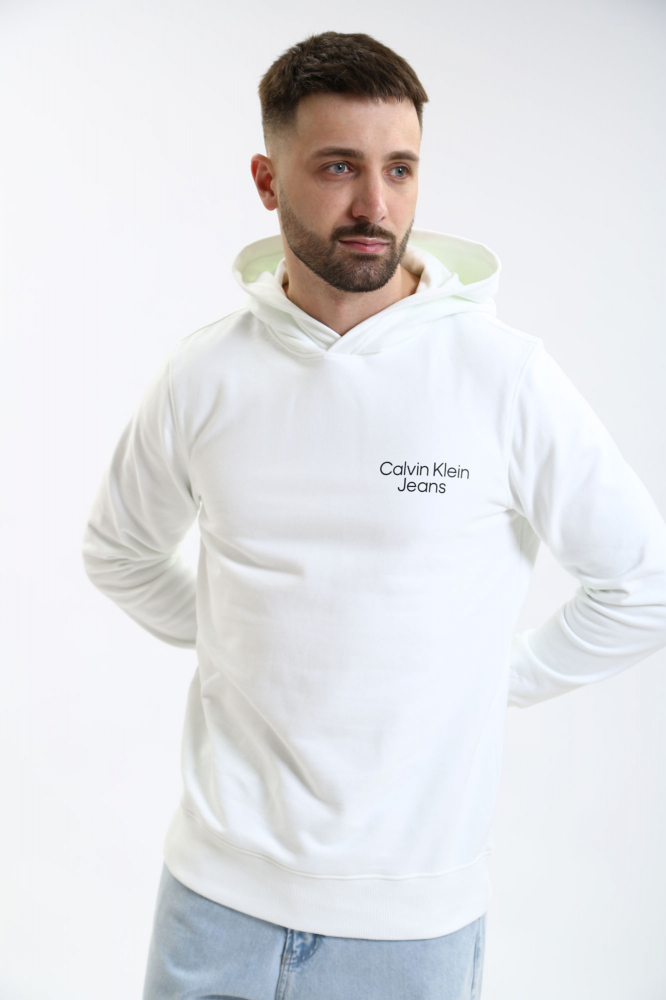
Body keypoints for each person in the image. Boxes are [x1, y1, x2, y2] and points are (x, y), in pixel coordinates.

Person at [80, 30, 666, 1000]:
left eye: (400, 169)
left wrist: (494, 676)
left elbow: (643, 585)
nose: (375, 206)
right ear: (268, 181)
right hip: (214, 901)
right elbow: (119, 551)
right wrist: (237, 640)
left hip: (409, 925)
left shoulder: (503, 377)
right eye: (338, 167)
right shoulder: (205, 374)